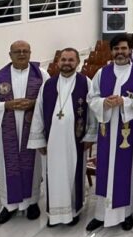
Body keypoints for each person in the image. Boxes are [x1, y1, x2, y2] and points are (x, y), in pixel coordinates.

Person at [28, 48, 96, 227]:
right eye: (63, 60)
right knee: (52, 176)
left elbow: (92, 111)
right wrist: (39, 139)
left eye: (71, 60)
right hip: (52, 141)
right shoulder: (48, 85)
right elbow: (38, 112)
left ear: (78, 62)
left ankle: (73, 212)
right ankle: (54, 214)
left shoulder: (86, 83)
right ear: (58, 62)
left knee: (74, 174)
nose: (67, 63)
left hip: (75, 140)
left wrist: (90, 135)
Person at [0, 41, 46, 224]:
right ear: (10, 55)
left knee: (34, 165)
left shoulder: (41, 74)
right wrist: (6, 105)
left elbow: (49, 98)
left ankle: (32, 202)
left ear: (30, 53)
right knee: (7, 165)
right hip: (5, 131)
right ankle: (8, 205)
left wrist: (33, 104)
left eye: (25, 51)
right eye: (17, 51)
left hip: (32, 129)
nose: (21, 54)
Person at [86, 34, 133, 232]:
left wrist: (125, 102)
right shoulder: (102, 73)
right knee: (104, 169)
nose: (120, 52)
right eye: (116, 49)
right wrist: (104, 102)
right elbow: (91, 97)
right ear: (111, 51)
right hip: (106, 130)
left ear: (130, 50)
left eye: (123, 48)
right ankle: (100, 214)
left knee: (126, 170)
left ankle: (126, 214)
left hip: (129, 131)